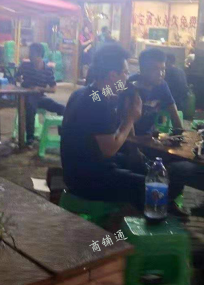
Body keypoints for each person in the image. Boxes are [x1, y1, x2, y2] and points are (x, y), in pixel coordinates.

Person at [60, 43, 187, 213]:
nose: (128, 78)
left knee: (143, 166)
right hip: (87, 180)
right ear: (113, 75)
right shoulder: (97, 103)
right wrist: (130, 118)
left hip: (78, 170)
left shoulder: (87, 93)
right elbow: (109, 150)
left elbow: (121, 89)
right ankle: (133, 220)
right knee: (155, 187)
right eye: (126, 73)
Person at [18, 43, 65, 145]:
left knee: (62, 108)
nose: (30, 56)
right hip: (26, 96)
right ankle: (30, 138)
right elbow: (15, 78)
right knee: (30, 106)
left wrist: (40, 88)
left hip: (40, 97)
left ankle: (62, 135)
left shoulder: (48, 70)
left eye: (32, 54)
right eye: (30, 53)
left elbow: (53, 89)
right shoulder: (25, 66)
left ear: (39, 55)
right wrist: (21, 86)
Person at [128, 48, 183, 135]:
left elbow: (173, 112)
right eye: (155, 69)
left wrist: (179, 136)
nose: (160, 74)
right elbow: (128, 130)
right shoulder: (129, 84)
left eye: (163, 69)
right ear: (143, 70)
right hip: (126, 137)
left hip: (148, 135)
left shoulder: (162, 85)